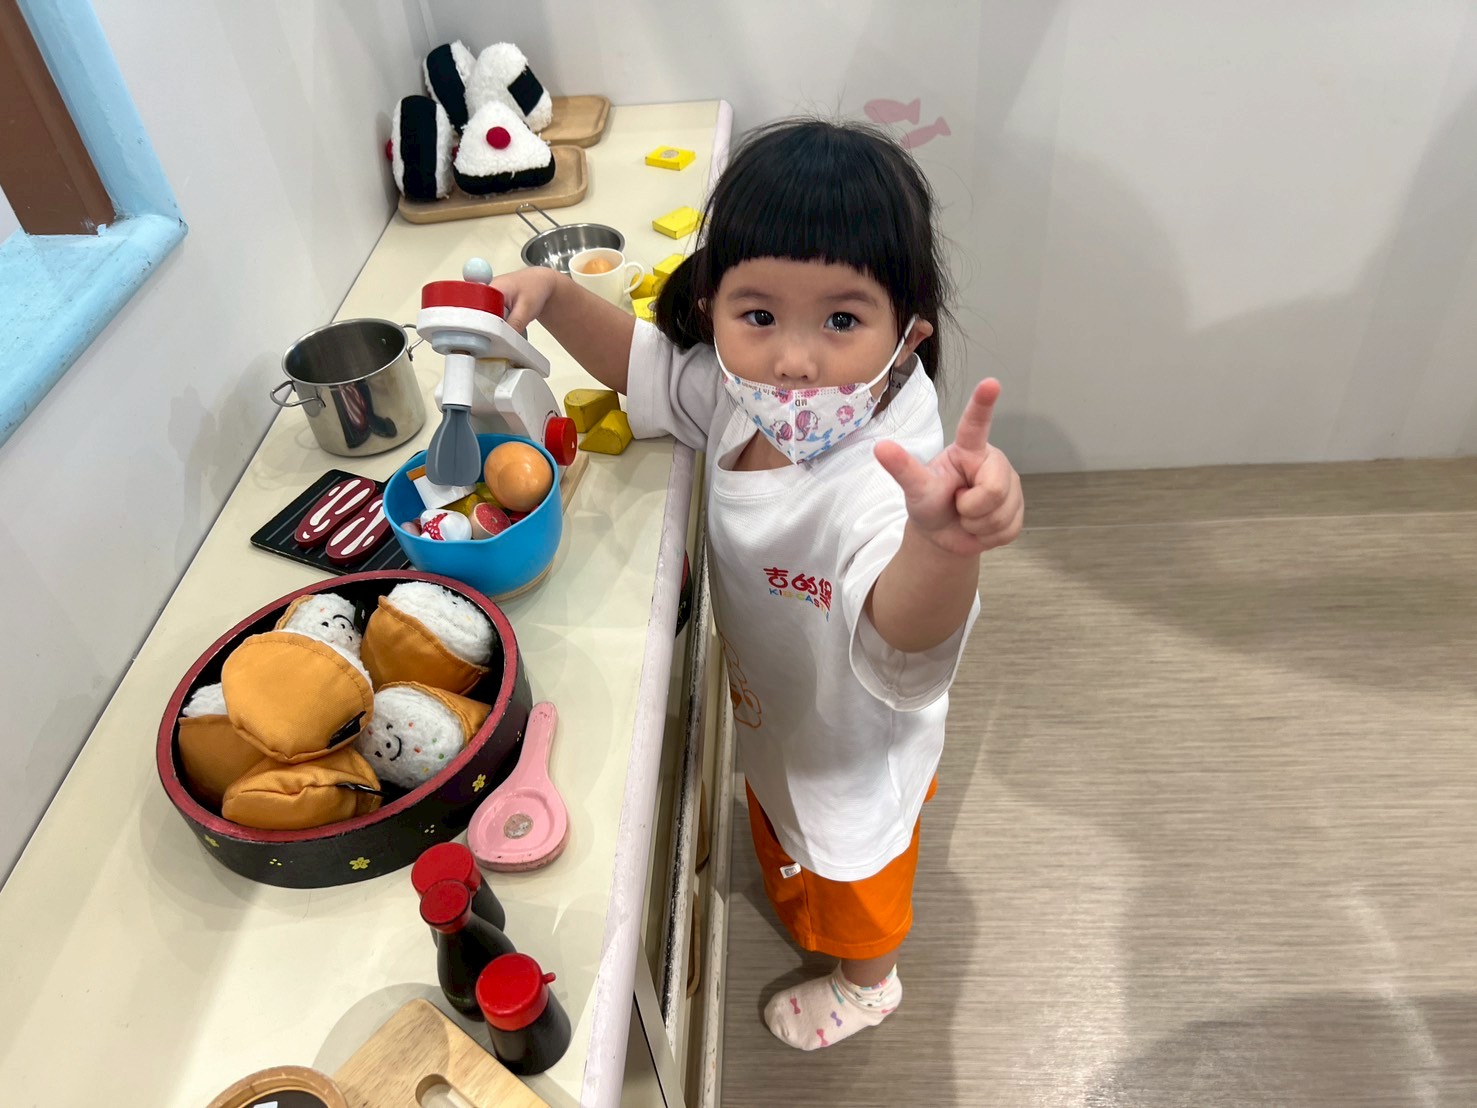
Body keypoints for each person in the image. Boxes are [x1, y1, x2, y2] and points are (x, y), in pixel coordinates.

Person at [492, 119, 1024, 1050]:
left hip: (848, 752)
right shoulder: (747, 396)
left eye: (842, 321)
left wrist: (942, 548)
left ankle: (870, 985)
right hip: (780, 709)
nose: (793, 360)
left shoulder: (886, 479)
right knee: (785, 821)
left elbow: (906, 632)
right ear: (713, 306)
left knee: (854, 879)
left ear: (909, 333)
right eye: (759, 315)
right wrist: (555, 296)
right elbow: (643, 366)